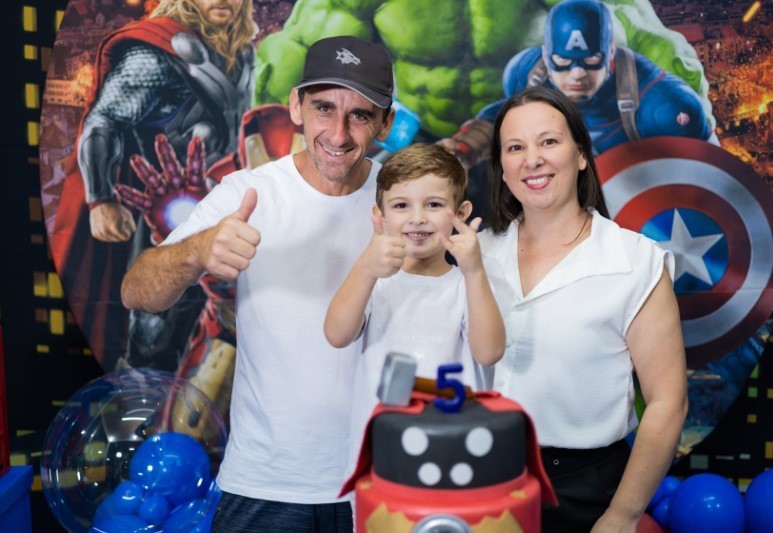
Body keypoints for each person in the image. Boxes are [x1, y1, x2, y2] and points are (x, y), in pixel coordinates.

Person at [120, 35, 396, 531]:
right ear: (296, 106)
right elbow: (136, 291)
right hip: (265, 483)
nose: (338, 133)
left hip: (381, 481)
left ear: (386, 123)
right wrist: (198, 250)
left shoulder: (405, 200)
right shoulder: (249, 192)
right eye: (324, 108)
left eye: (360, 115)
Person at [478, 86, 688, 532]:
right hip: (476, 475)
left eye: (548, 141)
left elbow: (668, 401)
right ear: (501, 168)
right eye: (515, 147)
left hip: (583, 491)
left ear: (579, 155)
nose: (532, 159)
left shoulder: (636, 261)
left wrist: (622, 516)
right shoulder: (474, 255)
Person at [51, 0, 257, 371]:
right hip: (168, 219)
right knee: (155, 346)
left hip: (227, 214)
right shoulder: (155, 54)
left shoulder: (241, 51)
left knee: (217, 348)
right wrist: (101, 198)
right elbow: (103, 122)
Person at [323, 142, 506, 471]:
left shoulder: (471, 283)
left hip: (456, 460)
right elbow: (337, 335)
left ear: (460, 213)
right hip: (380, 465)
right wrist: (365, 268)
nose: (417, 218)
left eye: (434, 204)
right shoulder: (373, 280)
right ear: (380, 216)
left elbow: (489, 353)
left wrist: (474, 271)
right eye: (401, 205)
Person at [445, 0, 714, 168]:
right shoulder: (527, 74)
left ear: (610, 53)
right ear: (546, 55)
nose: (577, 74)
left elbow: (713, 178)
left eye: (591, 60)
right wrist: (463, 148)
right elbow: (509, 114)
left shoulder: (664, 105)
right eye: (563, 61)